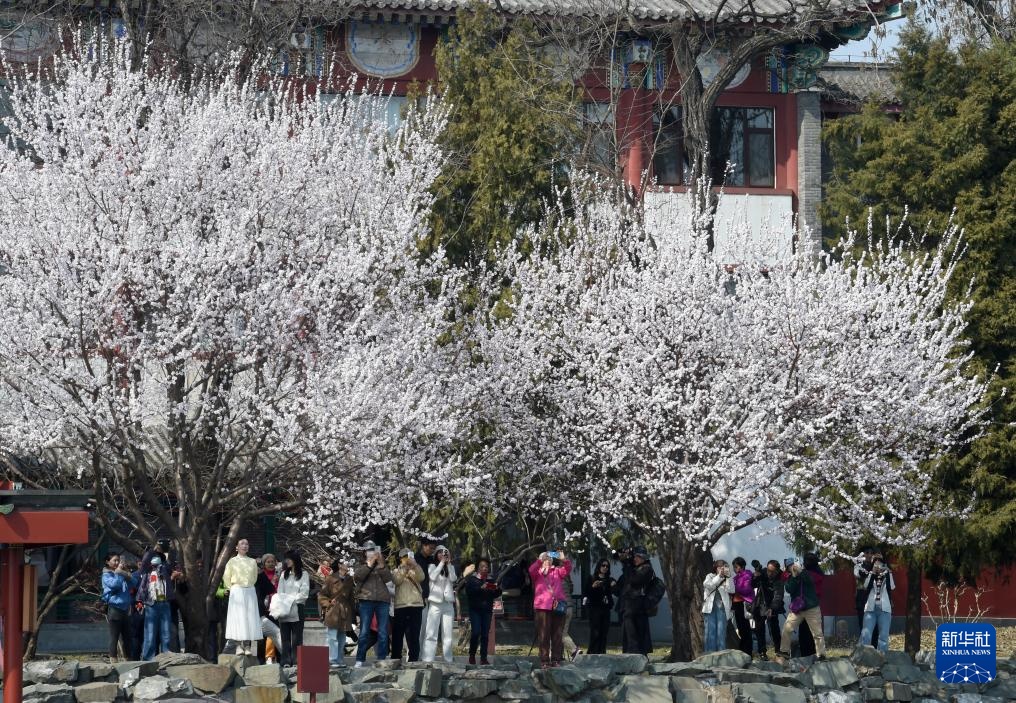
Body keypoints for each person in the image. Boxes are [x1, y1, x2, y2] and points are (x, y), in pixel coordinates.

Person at [529, 549, 572, 668]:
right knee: (544, 634)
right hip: (542, 607)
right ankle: (544, 660)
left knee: (557, 634)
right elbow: (530, 570)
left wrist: (564, 560)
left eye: (549, 559)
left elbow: (568, 570)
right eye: (545, 559)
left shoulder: (557, 571)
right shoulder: (537, 573)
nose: (547, 561)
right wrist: (539, 560)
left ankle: (556, 659)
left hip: (558, 606)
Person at [777, 561, 826, 663]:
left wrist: (801, 572)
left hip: (812, 608)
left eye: (793, 565)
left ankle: (821, 655)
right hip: (797, 609)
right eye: (790, 566)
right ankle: (784, 652)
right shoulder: (790, 578)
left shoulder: (806, 573)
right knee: (787, 629)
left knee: (817, 633)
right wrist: (794, 577)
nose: (793, 567)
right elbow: (789, 589)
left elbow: (809, 581)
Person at [354, 540, 394, 667]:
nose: (371, 553)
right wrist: (370, 564)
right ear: (364, 552)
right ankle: (360, 659)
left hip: (382, 600)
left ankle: (381, 658)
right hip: (366, 600)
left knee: (383, 631)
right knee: (364, 631)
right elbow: (358, 577)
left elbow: (388, 579)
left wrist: (381, 564)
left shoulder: (381, 564)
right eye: (369, 550)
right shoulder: (360, 565)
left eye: (373, 550)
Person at [222, 538, 262, 656]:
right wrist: (233, 588)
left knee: (249, 617)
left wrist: (248, 587)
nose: (245, 546)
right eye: (242, 544)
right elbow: (226, 577)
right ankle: (238, 646)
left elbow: (254, 577)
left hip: (249, 590)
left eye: (247, 544)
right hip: (237, 590)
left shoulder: (252, 562)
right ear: (237, 547)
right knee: (238, 617)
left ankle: (248, 646)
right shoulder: (232, 561)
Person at [423, 545, 457, 663]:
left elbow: (453, 579)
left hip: (448, 603)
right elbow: (432, 577)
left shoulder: (450, 566)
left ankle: (448, 659)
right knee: (431, 632)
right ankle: (428, 659)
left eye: (445, 553)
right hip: (435, 603)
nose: (442, 555)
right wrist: (442, 563)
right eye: (440, 553)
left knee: (448, 634)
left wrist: (448, 564)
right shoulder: (432, 566)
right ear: (436, 554)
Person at [101, 552, 139, 662]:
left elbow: (135, 583)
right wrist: (119, 574)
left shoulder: (121, 574)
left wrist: (126, 573)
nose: (117, 562)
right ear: (108, 562)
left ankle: (128, 659)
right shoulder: (106, 575)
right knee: (115, 636)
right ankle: (113, 660)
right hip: (114, 609)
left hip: (126, 609)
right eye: (114, 560)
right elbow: (115, 585)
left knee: (127, 636)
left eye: (118, 560)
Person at [138, 548, 175, 660]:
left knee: (166, 633)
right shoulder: (146, 571)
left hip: (164, 603)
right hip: (151, 604)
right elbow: (144, 561)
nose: (156, 558)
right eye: (154, 557)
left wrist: (165, 553)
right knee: (150, 634)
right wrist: (152, 551)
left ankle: (166, 657)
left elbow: (169, 564)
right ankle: (148, 659)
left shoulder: (164, 569)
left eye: (158, 557)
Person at [617, 546, 654, 656]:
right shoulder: (634, 567)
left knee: (637, 633)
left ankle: (636, 655)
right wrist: (625, 560)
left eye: (637, 557)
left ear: (643, 558)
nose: (635, 559)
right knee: (629, 632)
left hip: (638, 606)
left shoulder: (647, 568)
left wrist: (627, 565)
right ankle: (630, 653)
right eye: (635, 557)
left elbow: (634, 580)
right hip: (629, 605)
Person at [465, 557, 502, 665]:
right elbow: (469, 593)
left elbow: (496, 594)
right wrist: (481, 587)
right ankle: (472, 655)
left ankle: (483, 658)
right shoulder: (472, 580)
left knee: (485, 634)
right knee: (476, 632)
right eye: (482, 566)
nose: (484, 568)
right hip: (475, 610)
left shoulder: (491, 579)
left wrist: (497, 589)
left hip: (487, 610)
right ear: (477, 568)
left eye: (486, 566)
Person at [276, 550, 310, 666]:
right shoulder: (283, 574)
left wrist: (291, 600)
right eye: (286, 559)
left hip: (297, 607)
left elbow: (304, 593)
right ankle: (285, 660)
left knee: (297, 637)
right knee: (285, 637)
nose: (286, 561)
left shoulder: (304, 574)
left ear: (295, 560)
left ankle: (297, 661)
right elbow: (280, 591)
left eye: (289, 559)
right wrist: (285, 601)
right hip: (284, 608)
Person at [391, 548, 426, 663]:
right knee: (398, 634)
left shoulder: (416, 569)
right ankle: (396, 659)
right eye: (404, 556)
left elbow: (422, 577)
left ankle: (413, 660)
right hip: (401, 606)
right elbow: (397, 581)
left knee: (414, 635)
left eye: (408, 556)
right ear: (400, 559)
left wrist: (415, 566)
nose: (407, 558)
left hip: (416, 605)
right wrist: (405, 568)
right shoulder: (396, 570)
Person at [319, 559, 356, 666]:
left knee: (342, 637)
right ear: (340, 565)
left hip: (345, 610)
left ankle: (339, 659)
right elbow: (322, 595)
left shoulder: (349, 579)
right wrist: (329, 603)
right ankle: (332, 659)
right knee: (332, 636)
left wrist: (353, 613)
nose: (347, 564)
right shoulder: (330, 578)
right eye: (345, 563)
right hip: (333, 610)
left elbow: (351, 597)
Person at [857, 553, 895, 653]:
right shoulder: (871, 575)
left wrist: (889, 572)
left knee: (883, 636)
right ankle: (863, 656)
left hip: (884, 610)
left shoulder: (887, 576)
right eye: (876, 564)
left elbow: (891, 587)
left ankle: (883, 658)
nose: (878, 566)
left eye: (880, 564)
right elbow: (866, 586)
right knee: (866, 634)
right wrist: (872, 572)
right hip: (870, 609)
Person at [751, 560, 785, 660]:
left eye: (772, 571)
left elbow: (778, 596)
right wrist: (756, 576)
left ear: (777, 571)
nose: (769, 573)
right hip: (761, 603)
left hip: (773, 604)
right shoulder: (763, 572)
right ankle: (762, 652)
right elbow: (753, 585)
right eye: (769, 570)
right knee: (759, 629)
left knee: (774, 628)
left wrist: (772, 608)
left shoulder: (779, 578)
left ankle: (778, 651)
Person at [254, 553, 285, 664]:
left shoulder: (280, 575)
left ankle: (281, 660)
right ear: (263, 563)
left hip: (276, 609)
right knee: (261, 638)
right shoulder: (259, 574)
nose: (271, 564)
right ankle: (261, 660)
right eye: (268, 562)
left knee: (277, 633)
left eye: (273, 562)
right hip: (263, 609)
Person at [701, 560, 734, 653]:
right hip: (710, 608)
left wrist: (728, 578)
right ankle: (709, 653)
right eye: (720, 567)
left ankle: (721, 653)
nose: (722, 569)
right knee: (710, 631)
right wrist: (719, 576)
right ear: (716, 568)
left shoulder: (727, 578)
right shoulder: (710, 576)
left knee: (721, 632)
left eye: (724, 567)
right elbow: (708, 585)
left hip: (722, 608)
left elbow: (731, 590)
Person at [797, 553, 825, 657]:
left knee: (804, 633)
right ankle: (818, 654)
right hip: (815, 606)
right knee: (815, 633)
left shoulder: (806, 575)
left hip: (805, 606)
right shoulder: (819, 574)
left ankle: (805, 655)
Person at [586, 559, 616, 655]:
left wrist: (614, 584)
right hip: (595, 609)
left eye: (607, 566)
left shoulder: (609, 579)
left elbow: (614, 590)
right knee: (595, 631)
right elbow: (586, 593)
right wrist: (593, 587)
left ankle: (602, 652)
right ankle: (593, 652)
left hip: (605, 609)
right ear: (599, 566)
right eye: (603, 565)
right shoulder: (592, 578)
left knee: (604, 631)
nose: (605, 568)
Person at [415, 538, 439, 652]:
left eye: (434, 549)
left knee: (428, 629)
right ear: (423, 546)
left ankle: (425, 655)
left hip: (431, 597)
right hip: (419, 597)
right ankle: (414, 655)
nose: (432, 550)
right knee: (419, 629)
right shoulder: (415, 559)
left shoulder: (432, 560)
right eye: (430, 548)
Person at [854, 547, 880, 647]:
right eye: (867, 553)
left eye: (871, 553)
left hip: (874, 597)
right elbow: (860, 574)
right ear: (863, 554)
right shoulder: (858, 565)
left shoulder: (877, 565)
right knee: (863, 625)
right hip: (862, 597)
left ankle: (874, 648)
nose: (869, 555)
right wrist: (871, 568)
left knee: (876, 627)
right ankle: (864, 648)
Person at [731, 557, 755, 657]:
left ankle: (748, 651)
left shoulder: (747, 575)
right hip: (736, 604)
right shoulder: (736, 577)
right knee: (740, 628)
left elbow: (746, 589)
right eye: (734, 567)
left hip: (743, 604)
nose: (734, 569)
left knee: (745, 628)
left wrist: (734, 587)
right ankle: (743, 648)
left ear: (742, 567)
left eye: (736, 567)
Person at [124, 558, 145, 661]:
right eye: (140, 563)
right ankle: (135, 657)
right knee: (136, 634)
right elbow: (132, 594)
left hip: (148, 607)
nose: (141, 565)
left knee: (144, 635)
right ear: (137, 564)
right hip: (138, 606)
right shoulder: (135, 576)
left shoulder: (151, 574)